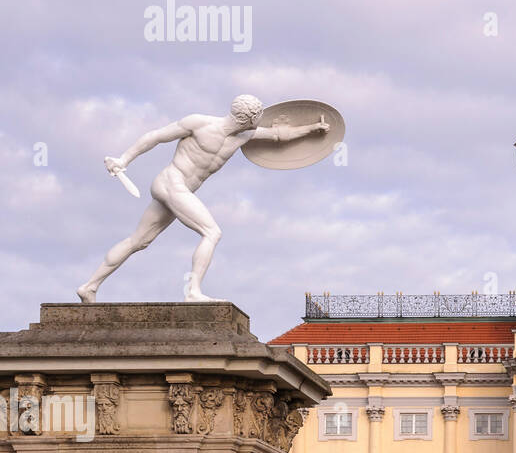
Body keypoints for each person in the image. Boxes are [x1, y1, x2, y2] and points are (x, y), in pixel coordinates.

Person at [77, 95, 329, 302]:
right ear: (249, 118)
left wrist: (313, 129)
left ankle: (90, 286)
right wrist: (124, 159)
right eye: (258, 116)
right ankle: (193, 292)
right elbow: (155, 136)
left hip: (179, 190)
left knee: (138, 241)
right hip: (172, 183)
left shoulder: (245, 135)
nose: (260, 120)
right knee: (212, 232)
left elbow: (279, 134)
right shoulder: (199, 123)